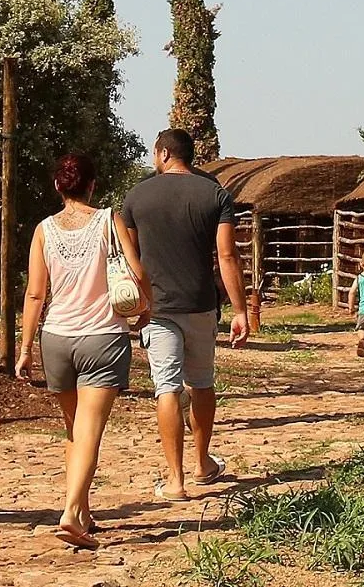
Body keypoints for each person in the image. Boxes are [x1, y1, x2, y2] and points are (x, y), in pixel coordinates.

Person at [16, 153, 149, 550]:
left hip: (56, 338)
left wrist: (24, 349)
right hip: (102, 338)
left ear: (59, 187)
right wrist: (147, 309)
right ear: (92, 185)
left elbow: (36, 292)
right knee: (89, 429)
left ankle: (85, 510)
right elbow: (137, 272)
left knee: (75, 428)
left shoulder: (43, 230)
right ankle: (71, 513)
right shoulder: (111, 220)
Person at [121, 128, 248, 501]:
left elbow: (130, 257)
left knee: (167, 387)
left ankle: (175, 481)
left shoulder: (136, 196)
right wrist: (240, 310)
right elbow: (227, 256)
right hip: (200, 303)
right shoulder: (215, 194)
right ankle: (202, 462)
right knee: (202, 381)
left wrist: (134, 303)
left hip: (157, 307)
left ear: (162, 154)